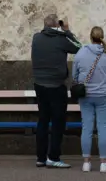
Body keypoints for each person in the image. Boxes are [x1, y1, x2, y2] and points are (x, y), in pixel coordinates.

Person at [31, 13, 82, 168]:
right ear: (57, 25)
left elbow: (45, 35)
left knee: (43, 120)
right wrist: (66, 30)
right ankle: (53, 157)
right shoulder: (61, 39)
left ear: (45, 25)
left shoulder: (36, 38)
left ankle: (40, 158)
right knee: (58, 122)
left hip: (39, 85)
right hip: (56, 86)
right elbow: (79, 48)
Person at [72, 26, 106, 173]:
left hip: (85, 95)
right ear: (102, 37)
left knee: (86, 127)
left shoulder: (81, 53)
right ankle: (103, 163)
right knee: (103, 128)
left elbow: (75, 76)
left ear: (90, 37)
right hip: (104, 96)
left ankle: (86, 163)